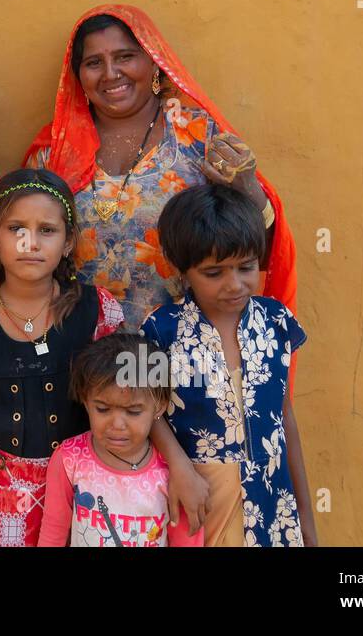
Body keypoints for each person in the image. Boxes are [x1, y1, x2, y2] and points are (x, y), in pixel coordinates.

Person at [24, 5, 297, 334]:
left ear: (153, 61)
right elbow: (22, 252)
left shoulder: (197, 137)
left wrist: (246, 187)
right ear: (78, 76)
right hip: (82, 356)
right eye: (94, 62)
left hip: (186, 353)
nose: (110, 73)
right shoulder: (56, 151)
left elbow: (258, 251)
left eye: (125, 57)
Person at [0, 169, 125, 547]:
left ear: (69, 242)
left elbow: (124, 400)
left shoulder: (95, 311)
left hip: (82, 488)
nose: (30, 243)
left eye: (47, 231)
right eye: (16, 228)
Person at [143, 183, 316, 546]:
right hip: (199, 501)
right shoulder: (161, 329)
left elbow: (284, 417)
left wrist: (305, 519)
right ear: (180, 269)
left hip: (272, 508)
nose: (234, 284)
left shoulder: (276, 322)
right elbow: (144, 408)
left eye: (246, 267)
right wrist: (179, 467)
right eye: (214, 273)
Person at [38, 332, 204, 547]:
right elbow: (52, 535)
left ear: (159, 406)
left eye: (133, 411)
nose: (117, 424)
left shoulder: (173, 474)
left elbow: (187, 542)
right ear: (86, 401)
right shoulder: (69, 460)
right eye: (103, 409)